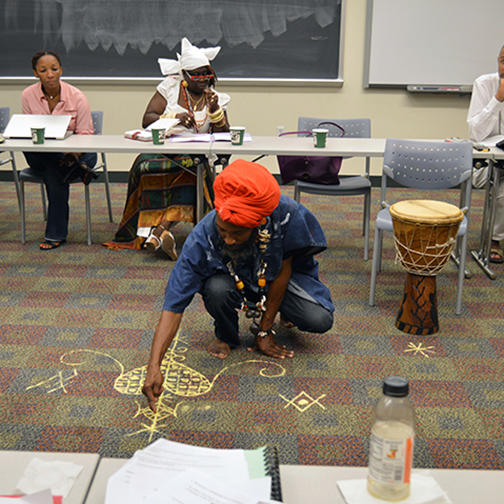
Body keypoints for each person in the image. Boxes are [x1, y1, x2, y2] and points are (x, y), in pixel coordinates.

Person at [142, 159, 334, 412]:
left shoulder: (285, 214)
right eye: (223, 231)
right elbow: (173, 306)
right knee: (216, 290)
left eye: (238, 233)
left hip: (275, 276)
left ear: (257, 224)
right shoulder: (202, 237)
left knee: (319, 319)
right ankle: (225, 333)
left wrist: (264, 331)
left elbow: (284, 270)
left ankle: (280, 315)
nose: (229, 240)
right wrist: (154, 365)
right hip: (232, 280)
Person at [104, 38, 230, 258]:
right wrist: (174, 117)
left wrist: (215, 110)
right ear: (185, 76)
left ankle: (159, 231)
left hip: (195, 155)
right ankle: (156, 232)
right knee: (145, 166)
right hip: (163, 149)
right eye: (197, 76)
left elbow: (223, 134)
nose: (203, 81)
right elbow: (147, 119)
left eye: (206, 75)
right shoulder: (169, 88)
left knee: (192, 169)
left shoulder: (215, 98)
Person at [22, 50, 97, 250]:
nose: (50, 74)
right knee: (50, 160)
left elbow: (85, 135)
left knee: (54, 172)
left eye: (54, 69)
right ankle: (77, 169)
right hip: (42, 154)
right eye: (43, 70)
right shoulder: (28, 95)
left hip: (76, 153)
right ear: (35, 73)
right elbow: (29, 132)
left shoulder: (77, 96)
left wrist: (72, 153)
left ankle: (55, 234)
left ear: (61, 70)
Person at [467, 44, 504, 263]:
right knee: (502, 190)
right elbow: (475, 133)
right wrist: (497, 99)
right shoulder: (484, 84)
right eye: (502, 60)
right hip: (485, 164)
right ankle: (495, 239)